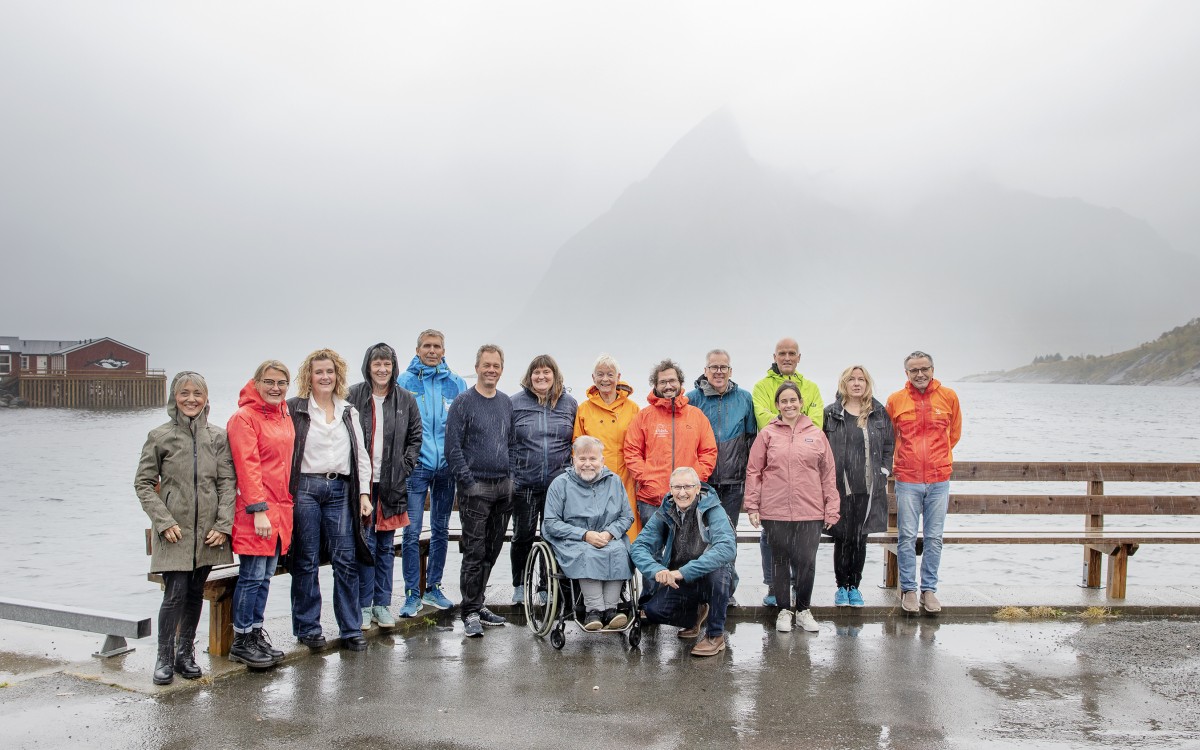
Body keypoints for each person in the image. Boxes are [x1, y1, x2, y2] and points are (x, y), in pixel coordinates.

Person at [135, 371, 236, 685]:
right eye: (184, 393)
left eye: (198, 394)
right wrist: (163, 522)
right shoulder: (160, 436)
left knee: (195, 592)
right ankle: (163, 658)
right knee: (174, 594)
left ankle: (185, 654)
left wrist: (223, 525)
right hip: (174, 532)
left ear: (206, 399)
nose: (191, 399)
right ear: (174, 397)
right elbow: (143, 484)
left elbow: (227, 484)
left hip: (207, 533)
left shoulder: (217, 437)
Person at [287, 349, 374, 651]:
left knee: (345, 560)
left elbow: (361, 456)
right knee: (306, 560)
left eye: (330, 372)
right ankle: (308, 627)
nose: (325, 377)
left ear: (338, 375)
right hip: (306, 489)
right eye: (318, 372)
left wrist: (364, 494)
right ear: (308, 377)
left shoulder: (349, 411)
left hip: (340, 491)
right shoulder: (294, 409)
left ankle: (350, 628)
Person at [744, 381, 840, 634]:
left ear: (801, 403)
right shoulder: (767, 434)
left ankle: (804, 610)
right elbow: (754, 471)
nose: (789, 405)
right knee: (780, 560)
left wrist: (832, 507)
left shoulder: (816, 435)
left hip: (810, 510)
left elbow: (828, 473)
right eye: (783, 401)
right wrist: (752, 506)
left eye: (793, 400)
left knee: (806, 561)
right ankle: (784, 610)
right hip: (775, 511)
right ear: (777, 405)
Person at [226, 360, 296, 668]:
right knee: (252, 576)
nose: (275, 388)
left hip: (281, 509)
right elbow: (247, 467)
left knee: (266, 576)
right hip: (257, 512)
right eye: (269, 382)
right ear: (257, 382)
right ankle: (241, 640)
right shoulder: (244, 418)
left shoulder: (283, 414)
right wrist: (258, 510)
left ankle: (255, 633)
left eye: (281, 383)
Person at [348, 343, 423, 630]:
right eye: (377, 364)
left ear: (394, 367)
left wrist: (405, 466)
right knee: (364, 546)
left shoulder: (405, 399)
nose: (382, 369)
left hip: (392, 484)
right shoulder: (352, 395)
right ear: (368, 366)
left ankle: (382, 604)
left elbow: (416, 436)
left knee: (385, 547)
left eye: (387, 364)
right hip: (362, 485)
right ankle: (364, 606)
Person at [395, 329, 467, 617]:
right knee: (411, 531)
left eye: (437, 346)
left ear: (444, 350)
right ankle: (412, 593)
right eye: (427, 346)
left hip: (447, 468)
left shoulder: (456, 383)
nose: (432, 350)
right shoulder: (404, 382)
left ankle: (434, 587)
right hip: (416, 467)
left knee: (440, 530)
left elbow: (463, 425)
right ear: (417, 349)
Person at [886, 351, 962, 615]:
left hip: (939, 479)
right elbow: (891, 437)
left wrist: (936, 459)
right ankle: (909, 590)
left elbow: (954, 434)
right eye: (914, 370)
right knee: (906, 536)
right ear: (906, 373)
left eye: (924, 369)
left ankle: (929, 591)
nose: (920, 374)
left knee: (934, 538)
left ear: (932, 369)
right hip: (907, 479)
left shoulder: (949, 397)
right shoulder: (896, 400)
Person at [446, 344, 514, 638]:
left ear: (501, 369)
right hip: (475, 488)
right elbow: (453, 448)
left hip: (503, 487)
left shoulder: (505, 402)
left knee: (493, 547)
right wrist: (468, 483)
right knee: (474, 551)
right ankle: (469, 611)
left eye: (496, 366)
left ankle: (479, 603)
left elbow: (510, 443)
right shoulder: (463, 402)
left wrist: (512, 478)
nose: (491, 370)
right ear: (477, 367)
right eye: (486, 365)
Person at [750, 337, 824, 606]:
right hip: (775, 474)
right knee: (770, 537)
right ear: (775, 355)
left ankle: (796, 588)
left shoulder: (813, 388)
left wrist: (787, 419)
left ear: (799, 357)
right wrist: (787, 420)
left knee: (802, 540)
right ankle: (773, 586)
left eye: (792, 353)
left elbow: (816, 423)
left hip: (803, 480)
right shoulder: (760, 387)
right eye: (782, 353)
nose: (787, 357)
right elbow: (764, 419)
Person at [630, 467, 735, 657]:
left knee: (719, 574)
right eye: (677, 487)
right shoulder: (666, 511)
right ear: (670, 489)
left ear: (698, 488)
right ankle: (694, 616)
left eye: (688, 486)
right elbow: (638, 547)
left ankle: (715, 635)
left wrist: (682, 572)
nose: (682, 492)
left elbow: (726, 548)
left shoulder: (713, 509)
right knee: (653, 611)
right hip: (681, 581)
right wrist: (656, 570)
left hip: (709, 577)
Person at [541, 436, 635, 630]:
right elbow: (550, 523)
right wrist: (584, 535)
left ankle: (611, 610)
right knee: (588, 553)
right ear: (573, 460)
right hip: (573, 539)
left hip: (608, 537)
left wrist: (609, 533)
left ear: (602, 461)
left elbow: (626, 517)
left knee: (619, 551)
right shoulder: (560, 484)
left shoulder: (614, 482)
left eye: (593, 459)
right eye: (582, 459)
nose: (587, 464)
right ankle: (594, 611)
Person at [824, 365, 894, 608]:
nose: (856, 383)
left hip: (868, 488)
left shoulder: (878, 412)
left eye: (861, 379)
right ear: (844, 383)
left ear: (867, 383)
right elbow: (822, 449)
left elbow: (888, 445)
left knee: (859, 539)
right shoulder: (831, 413)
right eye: (852, 379)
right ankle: (841, 586)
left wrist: (884, 470)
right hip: (841, 489)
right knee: (842, 538)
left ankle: (855, 586)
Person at [509, 354, 578, 603]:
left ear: (554, 375)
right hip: (524, 484)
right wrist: (511, 476)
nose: (541, 376)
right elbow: (507, 443)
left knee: (552, 536)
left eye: (546, 372)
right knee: (522, 537)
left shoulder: (569, 403)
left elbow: (576, 442)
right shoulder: (514, 403)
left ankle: (545, 586)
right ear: (529, 377)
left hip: (558, 485)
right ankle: (520, 584)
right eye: (536, 372)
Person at [622, 359, 717, 529]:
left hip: (688, 498)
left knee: (687, 553)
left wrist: (695, 480)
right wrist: (647, 479)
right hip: (652, 500)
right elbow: (632, 451)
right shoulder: (644, 416)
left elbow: (708, 451)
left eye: (672, 381)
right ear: (655, 386)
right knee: (653, 552)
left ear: (680, 383)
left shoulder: (696, 416)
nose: (668, 386)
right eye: (663, 382)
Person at [685, 348, 756, 542]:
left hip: (733, 483)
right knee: (698, 538)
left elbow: (751, 439)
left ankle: (727, 573)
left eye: (723, 367)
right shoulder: (691, 399)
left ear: (730, 371)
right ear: (705, 370)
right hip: (701, 482)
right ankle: (700, 573)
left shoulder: (744, 398)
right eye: (714, 367)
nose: (719, 371)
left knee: (727, 537)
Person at [572, 354, 641, 538]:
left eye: (610, 374)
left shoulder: (632, 408)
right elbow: (577, 446)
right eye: (600, 374)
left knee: (628, 532)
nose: (605, 379)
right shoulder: (584, 409)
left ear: (618, 377)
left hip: (625, 480)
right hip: (592, 482)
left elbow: (641, 444)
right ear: (593, 378)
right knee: (596, 534)